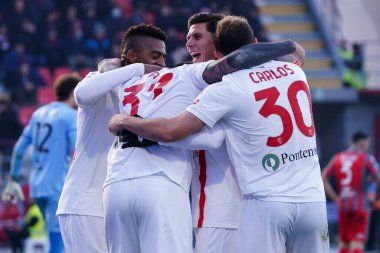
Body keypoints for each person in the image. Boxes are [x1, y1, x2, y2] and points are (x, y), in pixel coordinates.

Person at [108, 16, 328, 253]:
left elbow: (195, 134)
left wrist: (139, 127)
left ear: (217, 51)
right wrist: (292, 46)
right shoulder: (291, 71)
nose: (189, 43)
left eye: (198, 37)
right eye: (188, 37)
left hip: (231, 213)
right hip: (308, 199)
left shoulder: (222, 88)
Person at [56, 24, 166, 253]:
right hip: (86, 204)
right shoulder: (101, 83)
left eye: (163, 57)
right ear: (133, 56)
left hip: (115, 205)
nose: (161, 64)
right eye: (155, 56)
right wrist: (136, 69)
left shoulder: (147, 96)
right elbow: (81, 93)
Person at [2, 73, 79, 253]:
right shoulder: (70, 116)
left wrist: (13, 179)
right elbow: (79, 147)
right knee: (58, 235)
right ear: (73, 92)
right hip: (57, 185)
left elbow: (20, 148)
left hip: (37, 186)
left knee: (55, 233)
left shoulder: (39, 113)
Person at [322, 132, 380, 253]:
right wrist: (374, 198)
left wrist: (336, 199)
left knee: (344, 242)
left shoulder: (337, 157)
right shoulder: (366, 158)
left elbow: (323, 178)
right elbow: (378, 177)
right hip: (360, 206)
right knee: (358, 242)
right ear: (363, 143)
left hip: (343, 205)